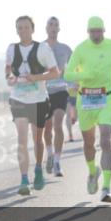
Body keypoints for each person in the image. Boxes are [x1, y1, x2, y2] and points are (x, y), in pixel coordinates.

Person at [64, 16, 111, 203]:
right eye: (92, 31)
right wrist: (85, 74)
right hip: (85, 101)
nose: (96, 35)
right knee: (89, 143)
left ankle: (106, 188)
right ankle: (93, 172)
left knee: (106, 141)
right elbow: (68, 73)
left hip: (107, 98)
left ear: (104, 31)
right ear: (88, 32)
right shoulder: (81, 49)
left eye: (99, 31)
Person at [5, 16, 60, 196]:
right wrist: (10, 78)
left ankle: (38, 168)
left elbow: (55, 73)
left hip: (38, 99)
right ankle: (23, 179)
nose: (23, 31)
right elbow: (8, 69)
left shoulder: (42, 48)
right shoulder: (11, 49)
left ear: (33, 29)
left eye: (26, 27)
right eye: (19, 28)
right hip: (18, 99)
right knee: (21, 140)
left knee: (37, 139)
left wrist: (36, 78)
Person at [41, 17, 72, 177]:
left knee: (58, 123)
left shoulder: (66, 49)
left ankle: (58, 162)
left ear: (59, 29)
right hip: (44, 91)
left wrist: (75, 83)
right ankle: (50, 154)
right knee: (47, 127)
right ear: (46, 28)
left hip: (61, 90)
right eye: (50, 25)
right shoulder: (39, 48)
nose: (53, 28)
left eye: (56, 26)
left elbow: (74, 69)